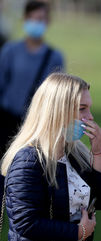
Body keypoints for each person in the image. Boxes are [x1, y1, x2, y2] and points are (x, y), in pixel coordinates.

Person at [0, 73, 101, 241]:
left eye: (89, 108)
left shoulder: (75, 153)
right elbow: (26, 222)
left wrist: (98, 151)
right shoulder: (28, 159)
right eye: (82, 109)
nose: (90, 117)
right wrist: (77, 232)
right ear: (58, 110)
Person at [0, 0, 64, 158]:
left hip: (35, 123)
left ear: (48, 21)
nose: (36, 23)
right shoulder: (10, 51)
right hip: (7, 119)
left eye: (41, 19)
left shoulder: (54, 57)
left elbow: (56, 94)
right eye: (33, 19)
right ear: (25, 19)